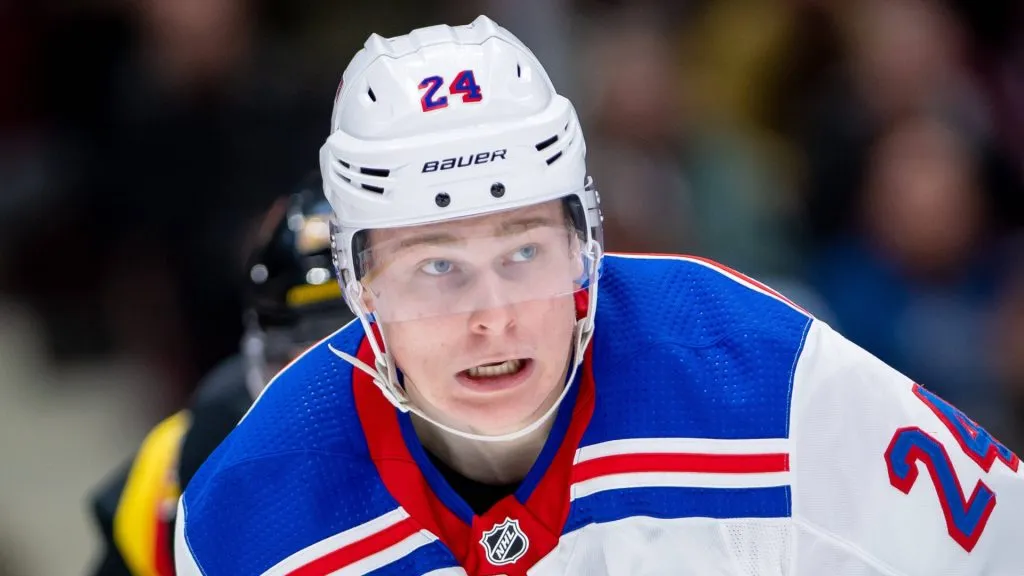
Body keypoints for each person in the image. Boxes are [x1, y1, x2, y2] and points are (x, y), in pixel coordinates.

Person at [174, 16, 1024, 576]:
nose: (492, 315)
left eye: (525, 251)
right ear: (362, 289)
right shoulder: (248, 516)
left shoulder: (753, 372)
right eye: (436, 267)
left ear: (587, 244)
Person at [88, 172, 353, 576]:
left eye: (349, 341)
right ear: (259, 346)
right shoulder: (172, 467)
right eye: (297, 349)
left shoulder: (471, 443)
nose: (320, 375)